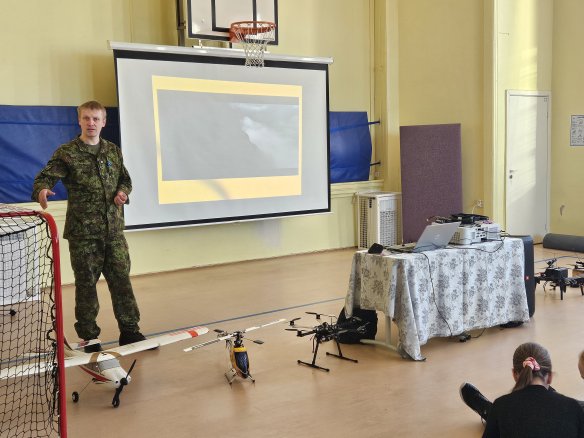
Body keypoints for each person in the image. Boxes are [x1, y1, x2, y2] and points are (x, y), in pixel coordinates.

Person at [32, 100, 146, 352]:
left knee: (121, 282)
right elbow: (45, 176)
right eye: (86, 118)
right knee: (86, 286)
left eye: (96, 119)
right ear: (79, 121)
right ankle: (90, 338)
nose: (91, 123)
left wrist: (122, 192)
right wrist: (42, 190)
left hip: (113, 232)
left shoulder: (113, 151)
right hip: (84, 234)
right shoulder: (67, 152)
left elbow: (125, 180)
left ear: (104, 122)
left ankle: (130, 331)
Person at [460, 342, 584, 438]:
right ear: (550, 377)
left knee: (503, 412)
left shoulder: (501, 405)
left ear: (514, 374)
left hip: (504, 409)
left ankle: (488, 411)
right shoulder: (573, 407)